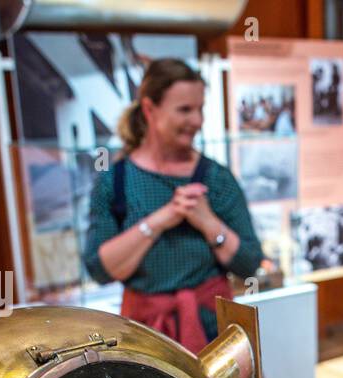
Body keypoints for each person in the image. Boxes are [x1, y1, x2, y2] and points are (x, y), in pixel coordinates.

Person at [84, 59, 263, 353]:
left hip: (211, 330)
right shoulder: (115, 181)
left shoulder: (216, 179)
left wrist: (208, 223)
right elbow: (99, 268)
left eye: (200, 109)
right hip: (143, 334)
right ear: (150, 109)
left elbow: (249, 263)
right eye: (184, 110)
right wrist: (162, 219)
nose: (197, 121)